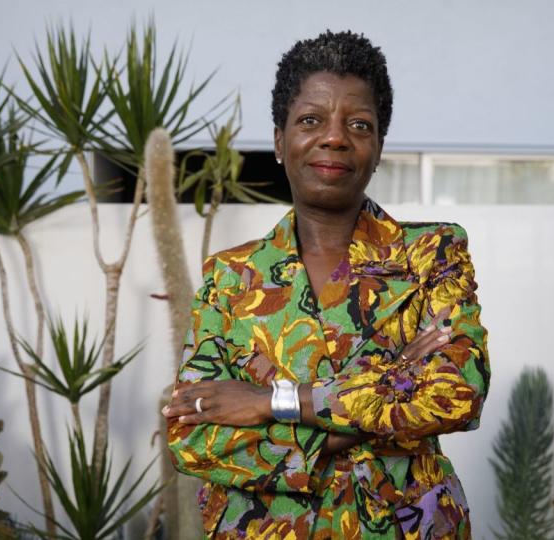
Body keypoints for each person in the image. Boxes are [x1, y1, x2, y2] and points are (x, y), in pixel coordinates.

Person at [163, 30, 490, 539]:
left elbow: (455, 394)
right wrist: (389, 384)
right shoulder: (230, 277)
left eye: (359, 124)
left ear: (378, 146)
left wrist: (271, 401)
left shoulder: (432, 254)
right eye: (311, 120)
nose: (334, 137)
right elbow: (191, 437)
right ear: (279, 140)